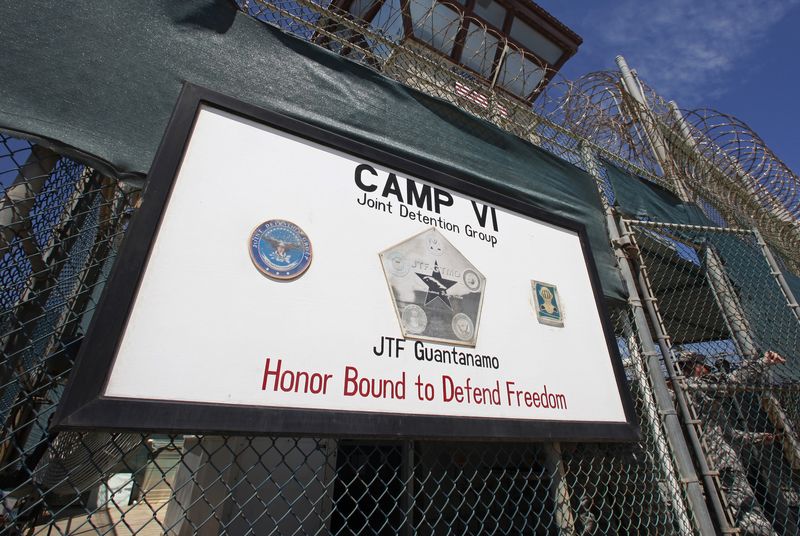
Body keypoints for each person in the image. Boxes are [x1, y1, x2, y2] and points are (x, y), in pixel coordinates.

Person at [677, 350, 786, 536]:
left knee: (721, 518)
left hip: (702, 467)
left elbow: (729, 434)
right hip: (723, 465)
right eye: (702, 365)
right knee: (750, 514)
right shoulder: (696, 387)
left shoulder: (686, 394)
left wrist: (759, 437)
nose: (706, 369)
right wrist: (763, 362)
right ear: (694, 367)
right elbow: (733, 380)